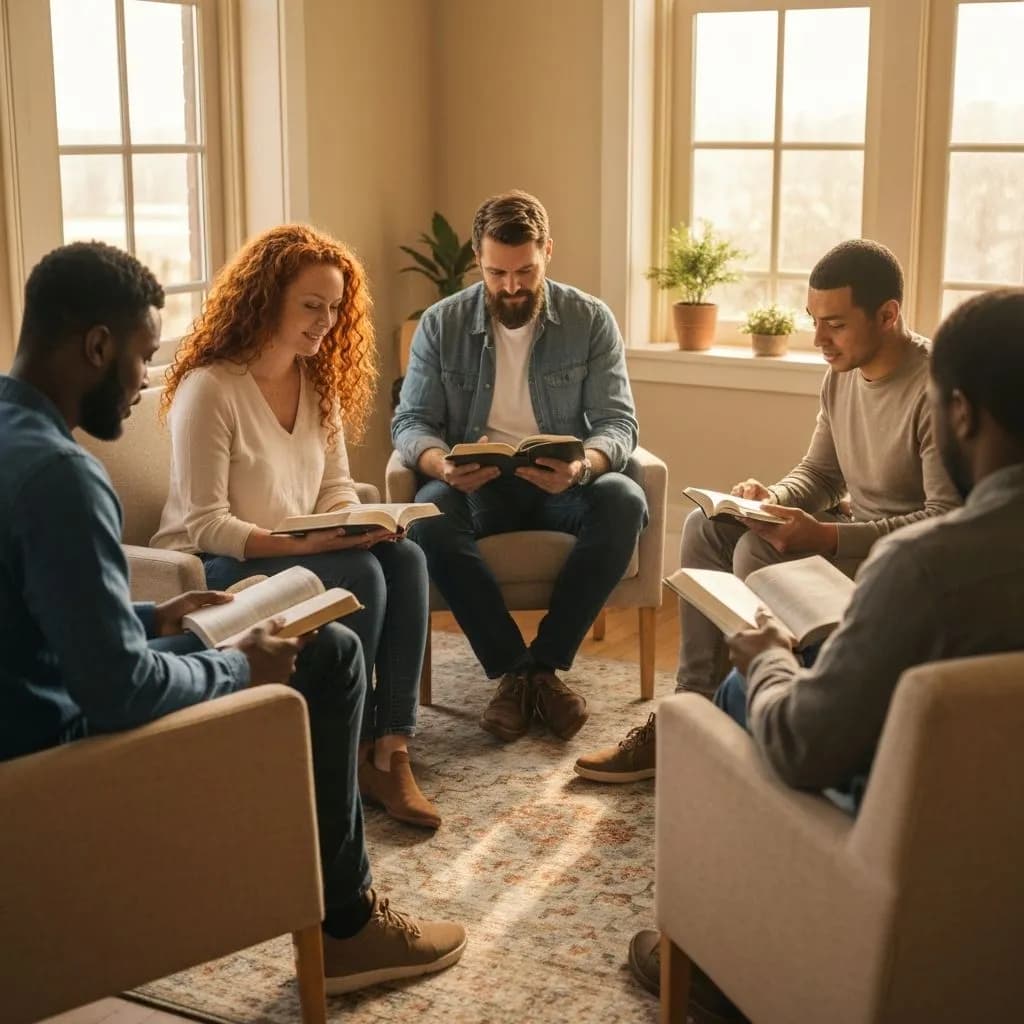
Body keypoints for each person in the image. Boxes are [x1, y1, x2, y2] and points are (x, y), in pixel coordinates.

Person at [0, 241, 465, 994]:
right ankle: (346, 926)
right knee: (330, 652)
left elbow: (33, 613)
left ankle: (381, 757)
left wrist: (154, 616)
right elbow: (120, 692)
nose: (146, 382)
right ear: (96, 346)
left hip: (23, 706)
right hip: (51, 758)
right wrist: (239, 664)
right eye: (143, 358)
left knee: (378, 579)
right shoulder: (63, 477)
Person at [628, 287, 1024, 1004]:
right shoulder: (842, 385)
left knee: (738, 694)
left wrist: (770, 657)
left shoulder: (923, 569)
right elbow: (820, 472)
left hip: (903, 845)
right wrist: (777, 498)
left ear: (960, 412)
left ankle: (717, 960)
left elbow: (802, 745)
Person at [576, 239, 960, 784]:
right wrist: (771, 500)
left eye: (835, 324)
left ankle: (770, 709)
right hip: (850, 530)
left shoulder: (935, 390)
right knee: (707, 527)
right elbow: (821, 475)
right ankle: (690, 713)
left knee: (757, 548)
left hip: (898, 561)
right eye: (813, 321)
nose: (819, 339)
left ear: (888, 315)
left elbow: (943, 520)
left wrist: (826, 538)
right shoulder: (841, 373)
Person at [152, 225, 438, 829]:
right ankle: (345, 749)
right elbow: (205, 524)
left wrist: (354, 523)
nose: (325, 322)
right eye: (311, 306)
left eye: (335, 308)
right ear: (265, 299)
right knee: (358, 571)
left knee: (403, 558)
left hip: (297, 548)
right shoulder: (211, 388)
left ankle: (390, 748)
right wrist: (306, 544)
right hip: (220, 563)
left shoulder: (318, 382)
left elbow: (334, 487)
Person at [392, 190, 648, 743]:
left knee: (625, 499)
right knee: (429, 512)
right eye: (497, 273)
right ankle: (521, 671)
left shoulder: (590, 319)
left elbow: (617, 423)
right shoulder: (441, 325)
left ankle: (540, 667)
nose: (512, 286)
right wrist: (440, 463)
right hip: (477, 487)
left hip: (562, 484)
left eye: (525, 271)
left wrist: (584, 468)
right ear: (478, 262)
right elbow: (411, 421)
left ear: (547, 252)